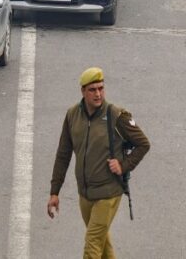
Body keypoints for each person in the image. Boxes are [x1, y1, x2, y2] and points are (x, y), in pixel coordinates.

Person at [48, 67, 151, 259]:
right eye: (92, 89)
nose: (98, 94)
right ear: (83, 91)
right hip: (85, 194)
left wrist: (123, 165)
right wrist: (55, 192)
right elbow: (63, 154)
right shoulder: (72, 116)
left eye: (101, 88)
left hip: (109, 193)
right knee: (103, 246)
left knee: (92, 245)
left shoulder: (117, 116)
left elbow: (143, 144)